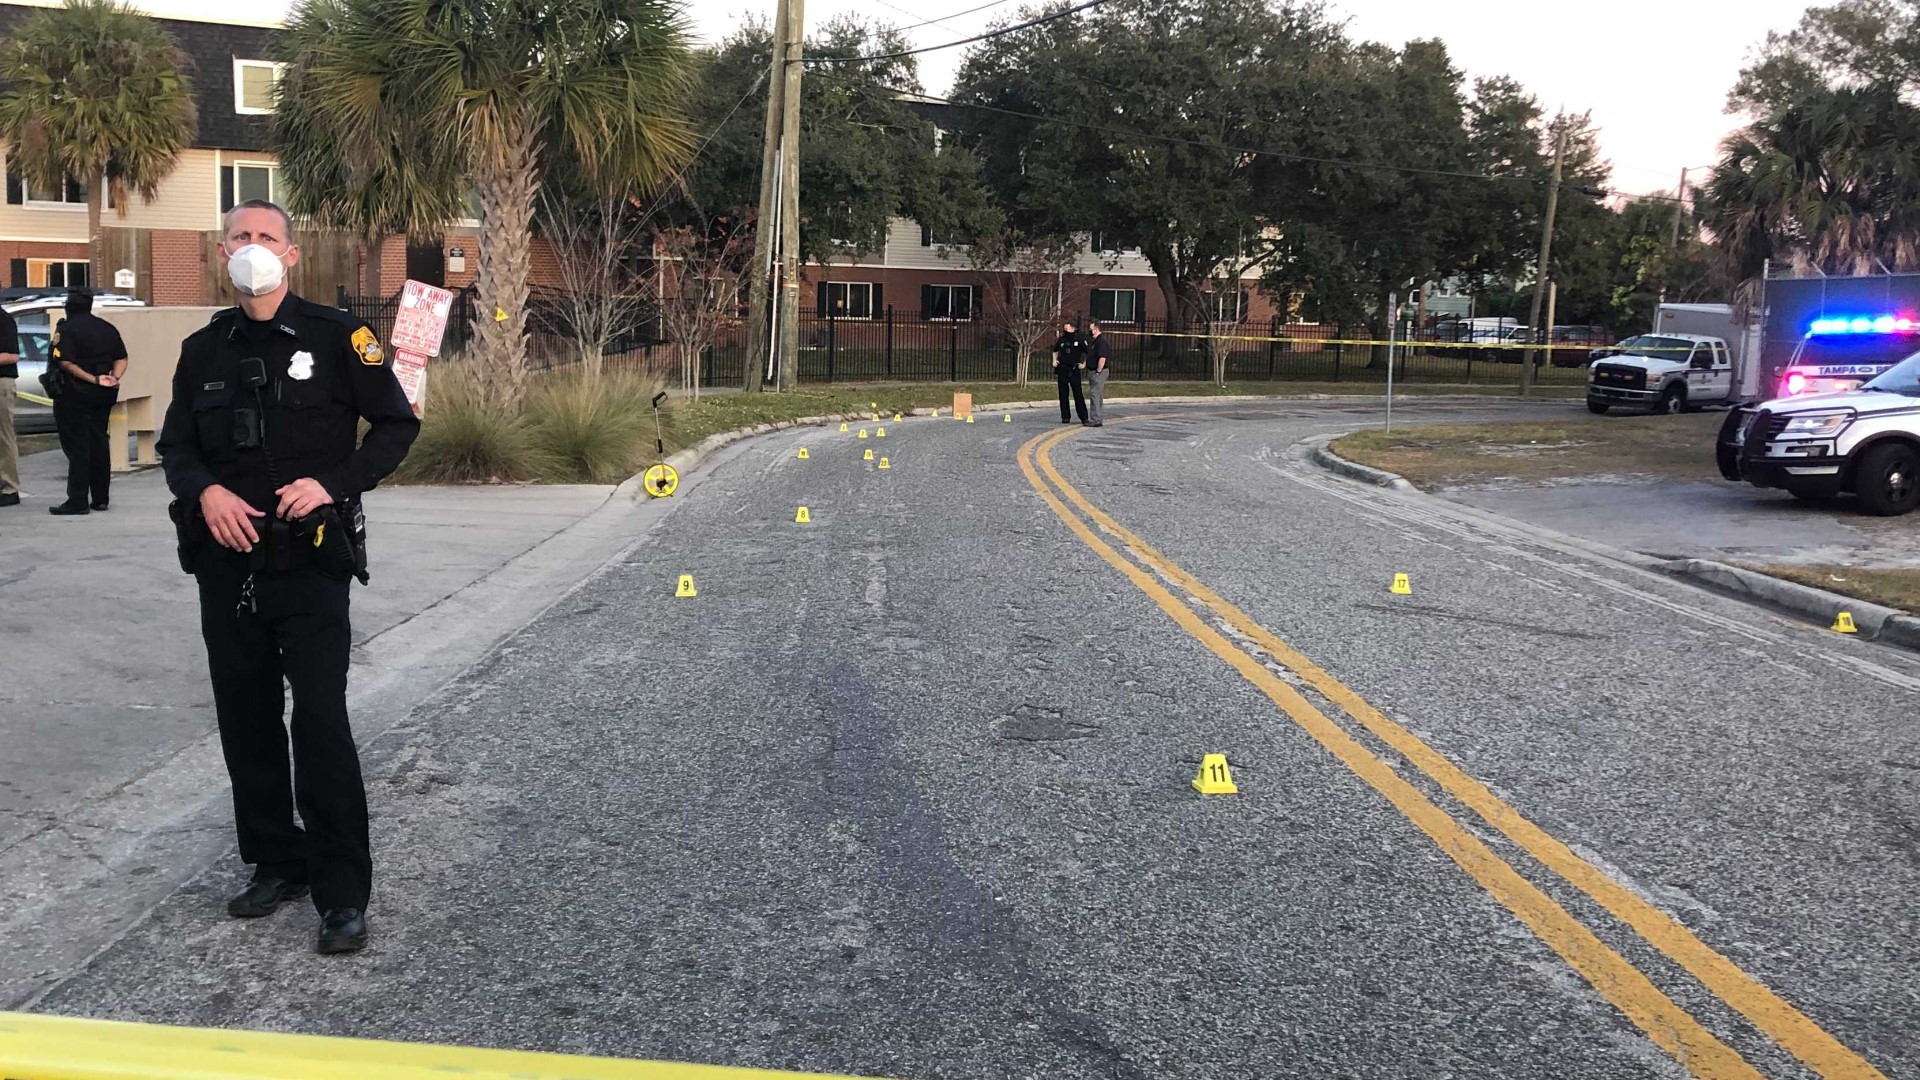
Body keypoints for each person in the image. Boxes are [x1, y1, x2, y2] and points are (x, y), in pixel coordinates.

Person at [156, 199, 419, 955]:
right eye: (240, 237)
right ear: (219, 251)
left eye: (266, 237)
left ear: (293, 254)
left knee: (320, 723)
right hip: (227, 564)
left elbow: (397, 426)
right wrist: (203, 491)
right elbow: (178, 447)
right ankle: (278, 859)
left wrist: (335, 482)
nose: (253, 248)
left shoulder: (341, 338)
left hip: (309, 560)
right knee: (246, 718)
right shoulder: (202, 349)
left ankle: (342, 894)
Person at [48, 290, 128, 515]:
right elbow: (122, 357)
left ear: (68, 306)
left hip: (75, 393)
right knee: (99, 441)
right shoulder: (106, 328)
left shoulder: (67, 330)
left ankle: (78, 500)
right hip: (104, 394)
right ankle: (101, 498)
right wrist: (114, 378)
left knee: (78, 447)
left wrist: (91, 379)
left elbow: (65, 362)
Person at [1051, 319, 1088, 425]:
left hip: (1074, 369)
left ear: (1073, 327)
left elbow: (1087, 352)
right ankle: (1065, 417)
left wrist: (1084, 364)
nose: (1065, 330)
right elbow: (1055, 350)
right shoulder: (1062, 339)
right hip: (1062, 369)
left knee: (1077, 394)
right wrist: (1054, 360)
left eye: (1067, 328)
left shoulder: (1079, 339)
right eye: (1064, 328)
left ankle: (1083, 417)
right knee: (1063, 394)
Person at [0, 304, 18, 507]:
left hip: (2, 382)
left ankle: (10, 487)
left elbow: (12, 355)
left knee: (4, 436)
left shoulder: (3, 319)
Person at [1085, 320, 1111, 427]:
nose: (1090, 332)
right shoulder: (1095, 341)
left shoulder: (1101, 342)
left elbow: (1102, 357)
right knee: (1097, 395)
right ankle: (1098, 418)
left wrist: (1098, 371)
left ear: (1096, 329)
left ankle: (1095, 419)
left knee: (1094, 394)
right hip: (1093, 370)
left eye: (1091, 330)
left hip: (1099, 371)